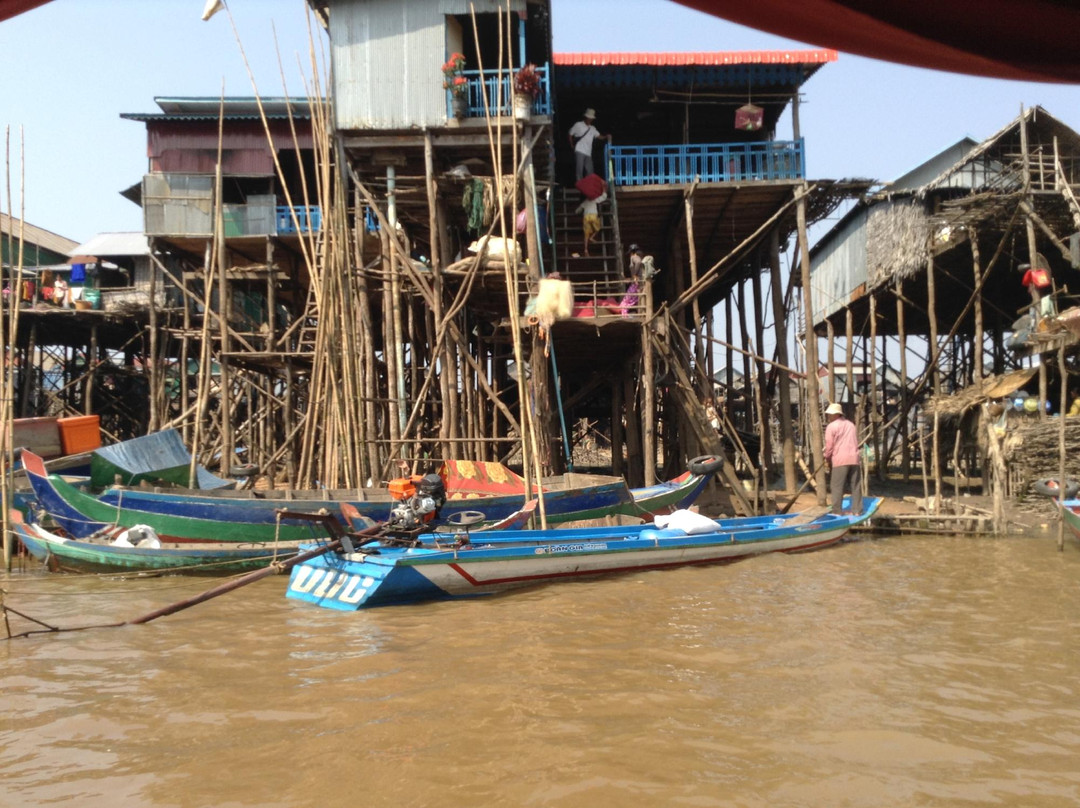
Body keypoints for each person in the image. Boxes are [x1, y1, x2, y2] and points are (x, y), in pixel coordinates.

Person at [824, 401, 862, 515]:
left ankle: (836, 511)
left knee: (836, 486)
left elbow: (829, 445)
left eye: (830, 415)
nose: (828, 417)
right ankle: (857, 510)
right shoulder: (851, 424)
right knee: (855, 485)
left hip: (840, 460)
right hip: (854, 459)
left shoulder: (831, 426)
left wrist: (826, 456)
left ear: (836, 415)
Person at [568, 109, 610, 181]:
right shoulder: (578, 124)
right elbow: (570, 134)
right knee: (579, 170)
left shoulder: (592, 128)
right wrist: (571, 144)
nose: (590, 120)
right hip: (579, 150)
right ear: (585, 117)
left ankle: (588, 185)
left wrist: (606, 136)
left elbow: (599, 136)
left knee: (590, 170)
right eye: (589, 118)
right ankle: (580, 185)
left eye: (591, 118)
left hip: (588, 152)